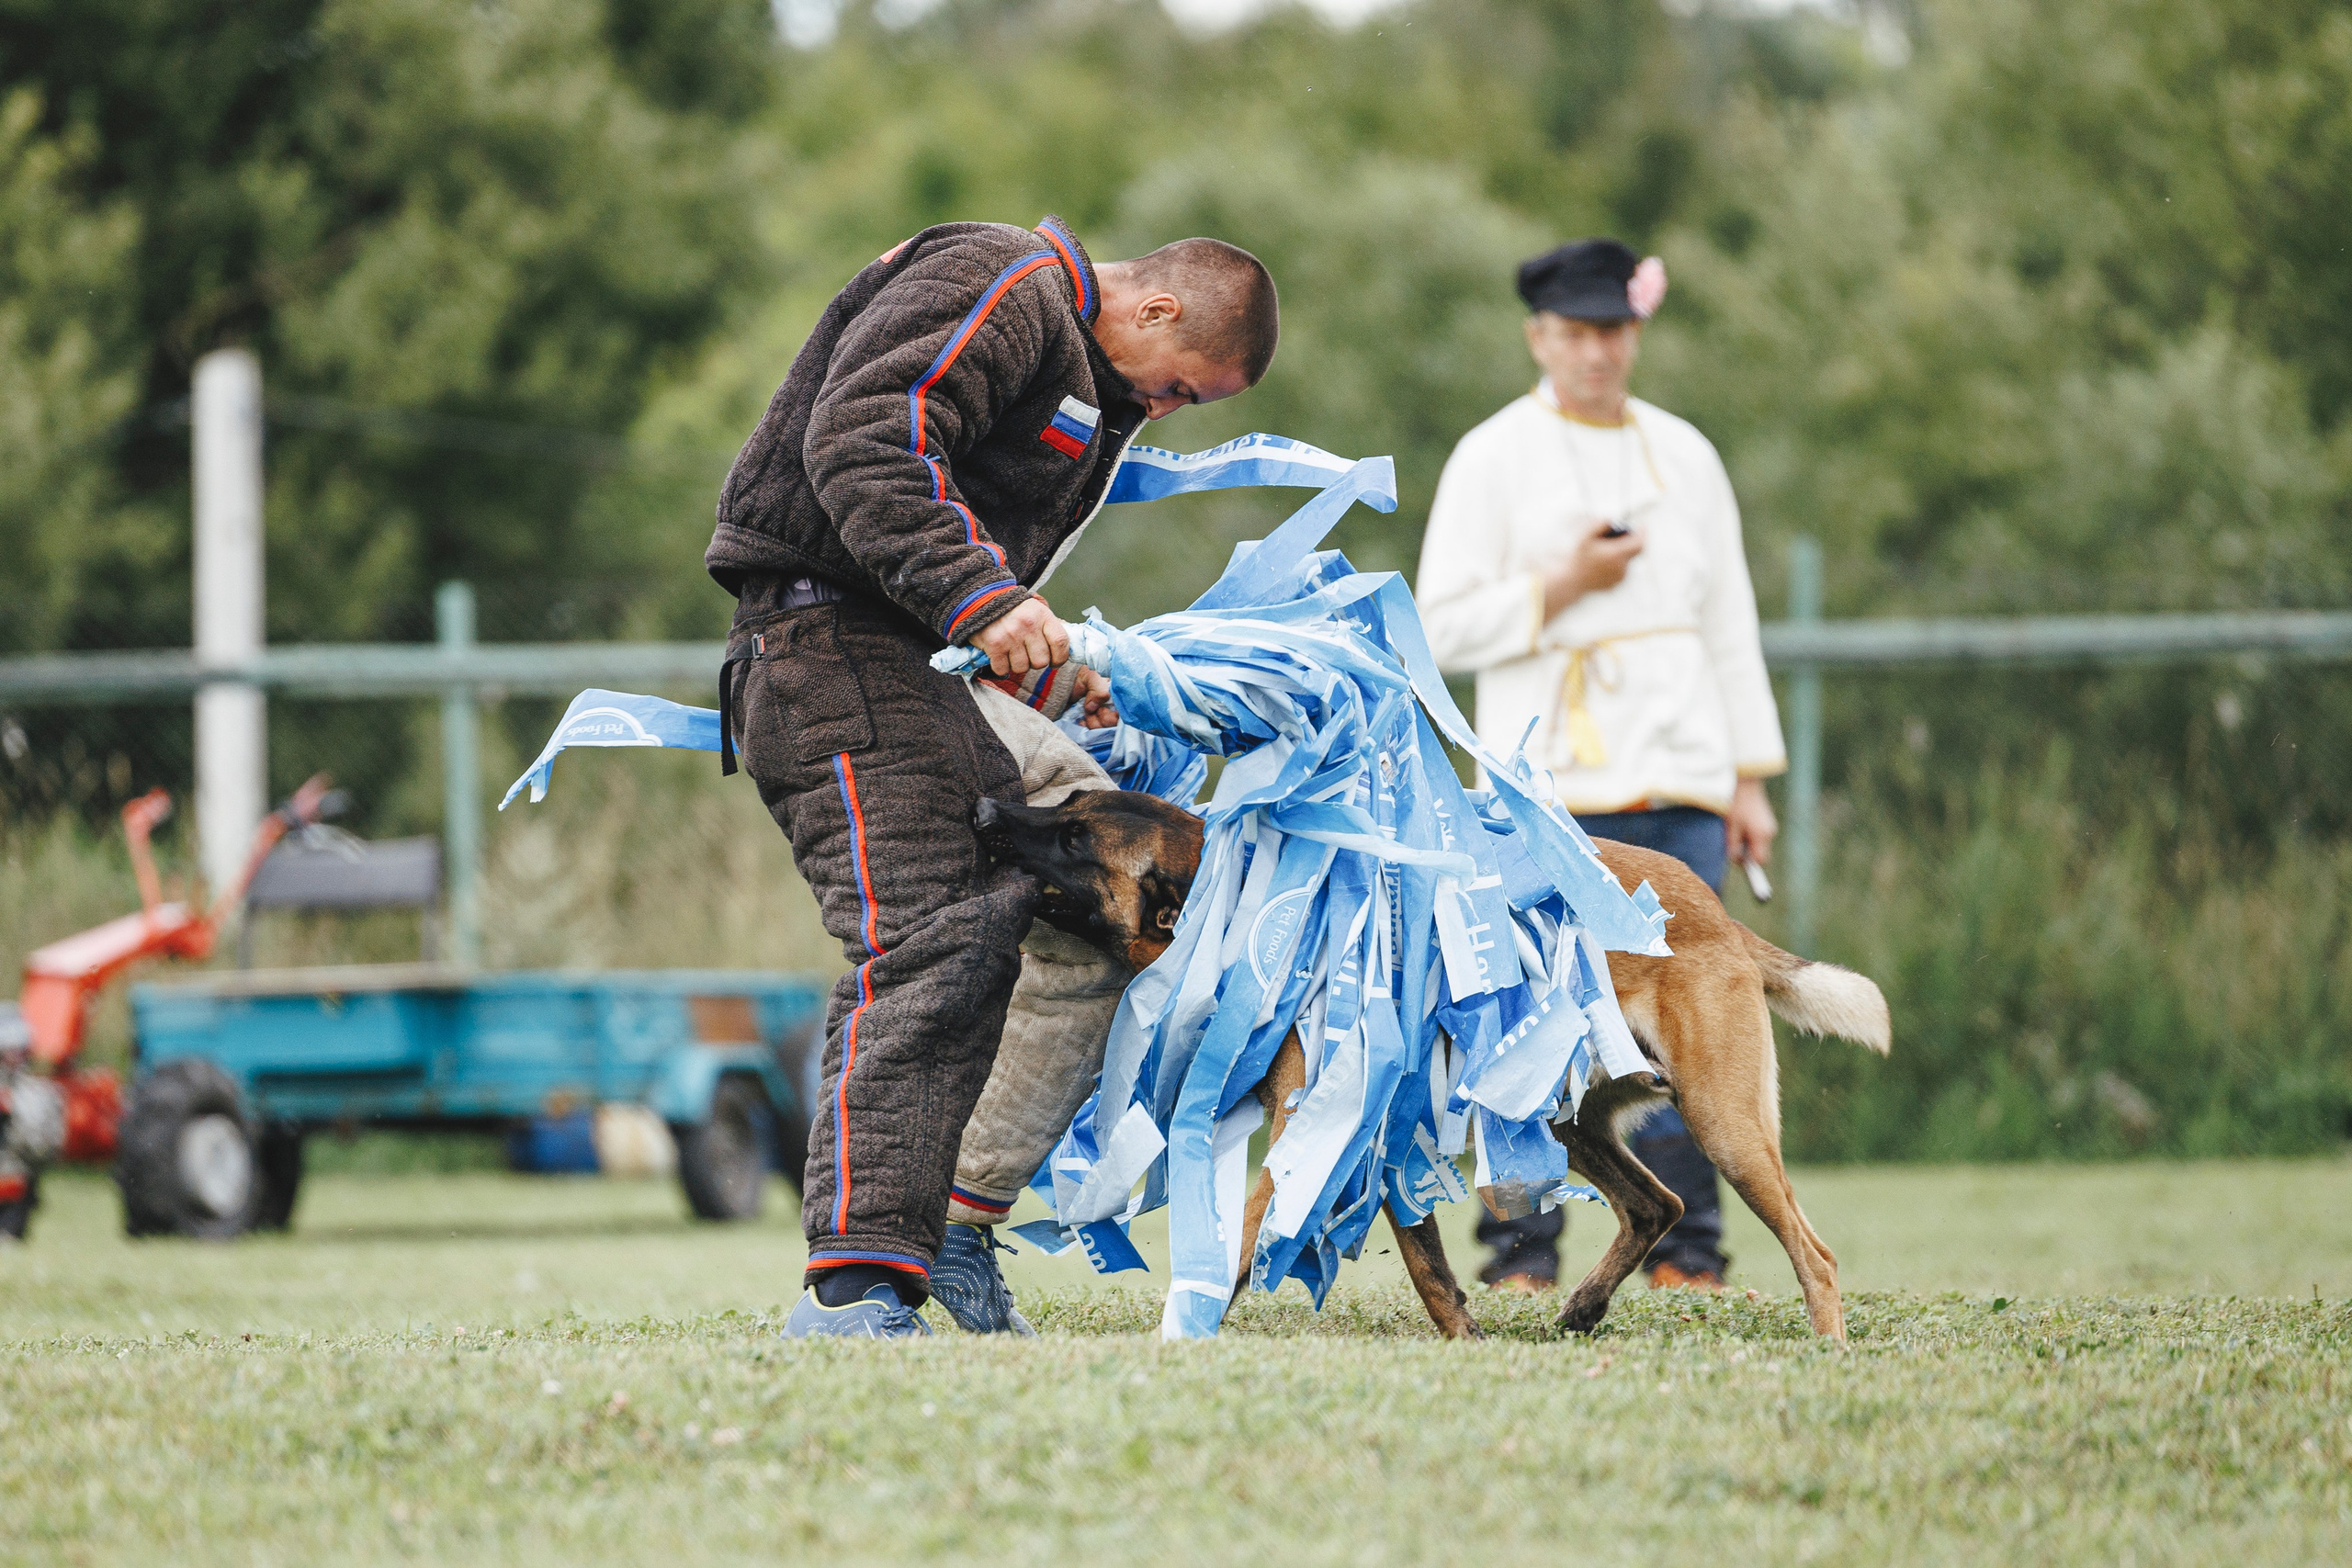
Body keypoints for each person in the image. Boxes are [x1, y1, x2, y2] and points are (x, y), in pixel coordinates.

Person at [707, 216, 1278, 1337]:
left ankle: (959, 1224)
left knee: (1115, 897)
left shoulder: (1077, 372)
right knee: (933, 932)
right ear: (1158, 308)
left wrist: (1045, 667)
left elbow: (963, 551)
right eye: (1185, 392)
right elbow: (865, 438)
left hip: (930, 667)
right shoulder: (1001, 279)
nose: (1166, 412)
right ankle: (857, 1286)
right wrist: (987, 599)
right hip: (829, 651)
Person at [1416, 237, 1785, 1293]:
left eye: (1612, 332)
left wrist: (1746, 777)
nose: (1595, 354)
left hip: (1676, 775)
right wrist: (1561, 584)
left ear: (1635, 335)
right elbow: (1440, 624)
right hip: (1550, 795)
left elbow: (1729, 623)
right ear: (1539, 337)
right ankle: (1520, 1256)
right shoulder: (1491, 456)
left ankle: (1691, 1258)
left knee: (1686, 1028)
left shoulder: (1687, 455)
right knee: (1529, 1030)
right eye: (1574, 334)